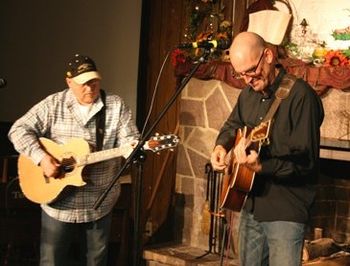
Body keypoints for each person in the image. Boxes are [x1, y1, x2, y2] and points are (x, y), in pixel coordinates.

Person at [8, 54, 140, 265]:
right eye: (83, 83)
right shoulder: (53, 104)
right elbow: (18, 130)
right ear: (69, 82)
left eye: (94, 81)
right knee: (52, 261)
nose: (90, 87)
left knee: (96, 261)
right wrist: (42, 158)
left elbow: (130, 139)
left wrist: (133, 148)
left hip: (99, 200)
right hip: (58, 203)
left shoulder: (115, 105)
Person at [210, 32, 324, 266]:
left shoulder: (301, 97)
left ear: (268, 56)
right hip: (251, 202)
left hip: (286, 210)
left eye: (251, 70)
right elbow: (233, 124)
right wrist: (221, 146)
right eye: (240, 74)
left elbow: (306, 162)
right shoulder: (248, 94)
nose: (247, 80)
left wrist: (262, 165)